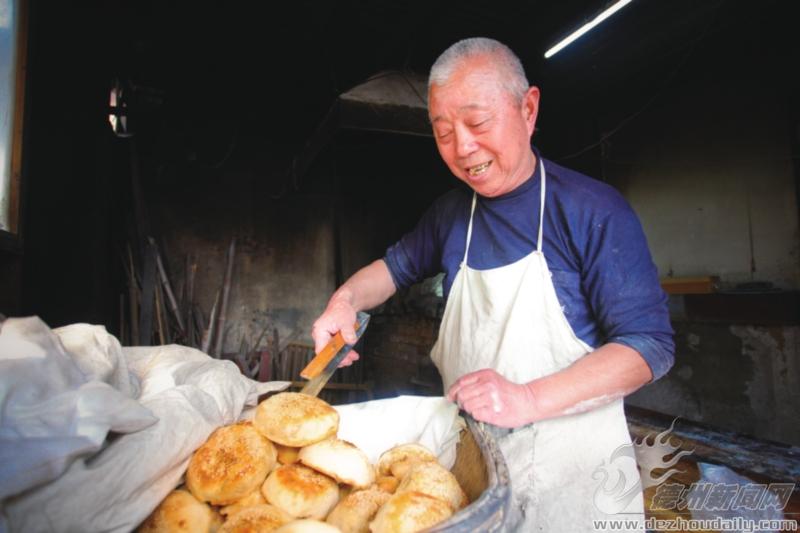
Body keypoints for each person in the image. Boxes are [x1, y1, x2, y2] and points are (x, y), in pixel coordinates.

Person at [311, 37, 674, 532]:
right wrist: (344, 301)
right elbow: (389, 271)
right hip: (471, 481)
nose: (463, 148)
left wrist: (525, 400)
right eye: (442, 133)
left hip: (573, 484)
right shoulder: (449, 215)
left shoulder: (593, 210)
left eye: (478, 123)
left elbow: (648, 347)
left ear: (528, 109)